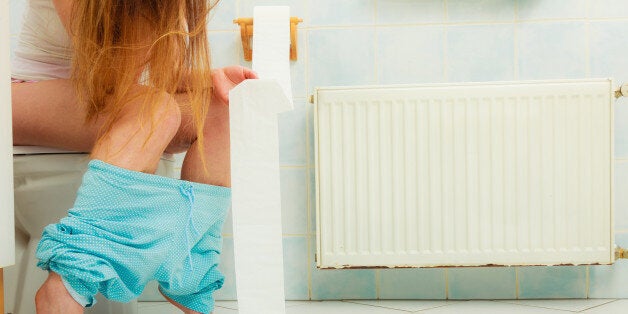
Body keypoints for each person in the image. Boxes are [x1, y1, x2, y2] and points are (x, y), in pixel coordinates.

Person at [11, 0, 256, 313]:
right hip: (30, 94)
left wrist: (212, 77)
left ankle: (190, 274)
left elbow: (152, 75)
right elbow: (112, 72)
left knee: (221, 111)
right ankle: (66, 285)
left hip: (111, 96)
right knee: (154, 110)